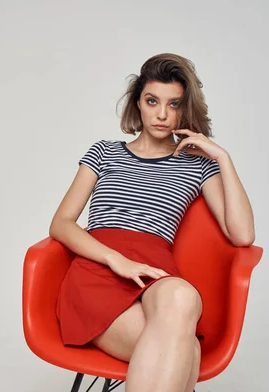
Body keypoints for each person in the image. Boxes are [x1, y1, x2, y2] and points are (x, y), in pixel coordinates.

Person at [48, 53, 255, 392]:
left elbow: (243, 234)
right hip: (98, 271)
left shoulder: (197, 165)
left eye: (174, 104)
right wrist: (116, 259)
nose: (162, 114)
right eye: (152, 101)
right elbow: (62, 224)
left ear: (185, 109)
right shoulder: (104, 152)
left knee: (183, 296)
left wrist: (223, 158)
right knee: (187, 350)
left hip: (154, 274)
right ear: (138, 103)